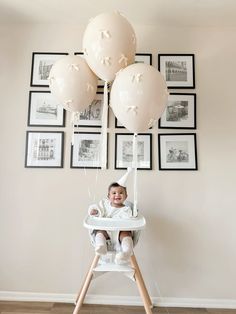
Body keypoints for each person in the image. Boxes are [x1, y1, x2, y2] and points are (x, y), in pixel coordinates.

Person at [88, 170, 134, 264]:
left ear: (126, 196)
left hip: (120, 231)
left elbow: (130, 219)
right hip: (106, 231)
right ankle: (101, 246)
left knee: (126, 234)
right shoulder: (104, 205)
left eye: (121, 193)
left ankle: (126, 252)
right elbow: (98, 209)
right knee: (99, 232)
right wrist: (95, 211)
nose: (117, 195)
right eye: (114, 193)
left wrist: (134, 214)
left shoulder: (126, 209)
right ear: (108, 196)